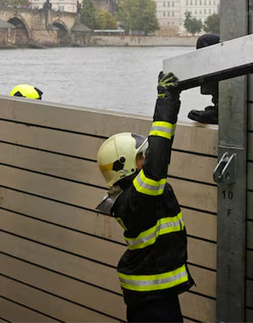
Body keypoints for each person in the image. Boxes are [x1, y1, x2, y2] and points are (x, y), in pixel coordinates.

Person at [94, 71, 194, 322]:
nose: (146, 158)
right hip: (153, 300)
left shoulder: (130, 195)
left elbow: (161, 151)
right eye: (141, 156)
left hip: (153, 292)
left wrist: (173, 101)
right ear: (126, 165)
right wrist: (165, 100)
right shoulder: (137, 198)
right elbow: (159, 159)